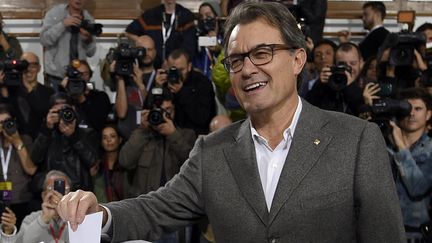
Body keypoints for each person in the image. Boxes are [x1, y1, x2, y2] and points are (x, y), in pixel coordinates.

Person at [57, 3, 405, 242]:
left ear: (298, 59)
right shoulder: (212, 151)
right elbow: (155, 208)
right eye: (236, 59)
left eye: (262, 53)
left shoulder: (357, 140)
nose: (247, 68)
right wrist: (99, 212)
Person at [119, 88, 196, 198]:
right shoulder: (142, 135)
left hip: (176, 203)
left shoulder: (186, 135)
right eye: (159, 111)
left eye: (168, 110)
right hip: (145, 205)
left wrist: (173, 134)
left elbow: (194, 166)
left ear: (175, 110)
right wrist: (142, 131)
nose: (163, 115)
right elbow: (124, 161)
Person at [386, 88, 432, 241]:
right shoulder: (383, 147)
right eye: (407, 108)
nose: (411, 113)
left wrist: (401, 146)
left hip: (417, 236)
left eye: (418, 109)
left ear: (428, 114)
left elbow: (418, 187)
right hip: (384, 232)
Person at [31, 92, 99, 192]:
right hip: (53, 189)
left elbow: (92, 161)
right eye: (58, 112)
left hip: (79, 190)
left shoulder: (87, 133)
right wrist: (47, 129)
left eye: (66, 110)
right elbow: (35, 158)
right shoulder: (46, 133)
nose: (63, 114)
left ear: (74, 110)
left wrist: (73, 136)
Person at [156, 48, 216, 135]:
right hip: (166, 133)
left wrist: (181, 92)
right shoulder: (164, 82)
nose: (177, 74)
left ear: (189, 66)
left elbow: (202, 118)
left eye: (181, 70)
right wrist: (158, 88)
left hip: (195, 134)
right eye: (173, 70)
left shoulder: (202, 83)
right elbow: (152, 112)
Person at [40, 0, 97, 90]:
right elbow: (44, 40)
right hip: (56, 77)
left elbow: (91, 52)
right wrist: (63, 24)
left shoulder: (88, 18)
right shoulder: (54, 14)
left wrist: (88, 39)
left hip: (79, 77)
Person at [113, 35, 158, 139]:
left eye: (149, 50)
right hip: (127, 139)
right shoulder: (126, 75)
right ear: (134, 51)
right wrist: (120, 78)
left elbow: (153, 109)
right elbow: (121, 113)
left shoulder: (160, 77)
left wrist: (141, 85)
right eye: (141, 50)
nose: (145, 53)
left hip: (151, 139)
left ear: (155, 52)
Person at [125, 0, 197, 65]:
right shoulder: (151, 14)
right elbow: (129, 32)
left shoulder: (186, 16)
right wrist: (144, 43)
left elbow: (189, 46)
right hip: (152, 65)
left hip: (176, 65)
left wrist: (172, 61)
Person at [0, 104, 36, 229]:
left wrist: (17, 142)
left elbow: (31, 170)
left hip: (23, 200)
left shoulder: (25, 140)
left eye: (7, 122)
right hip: (2, 200)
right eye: (0, 123)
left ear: (14, 121)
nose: (4, 126)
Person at [305, 42, 365, 116]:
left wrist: (350, 87)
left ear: (361, 63)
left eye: (353, 63)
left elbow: (363, 113)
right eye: (342, 64)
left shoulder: (368, 85)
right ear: (334, 64)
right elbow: (310, 109)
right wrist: (320, 84)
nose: (348, 68)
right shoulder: (329, 85)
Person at [12, 170, 72, 243]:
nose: (57, 194)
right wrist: (44, 219)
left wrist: (69, 216)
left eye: (63, 189)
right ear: (44, 195)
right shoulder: (31, 219)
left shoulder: (78, 217)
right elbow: (22, 241)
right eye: (51, 188)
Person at [61, 60, 111, 136]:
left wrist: (81, 98)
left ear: (90, 76)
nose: (81, 77)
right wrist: (63, 90)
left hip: (92, 141)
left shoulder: (100, 97)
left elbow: (98, 124)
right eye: (77, 74)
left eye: (85, 74)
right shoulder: (65, 97)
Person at [17, 52, 55, 139]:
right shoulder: (12, 91)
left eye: (33, 65)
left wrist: (29, 89)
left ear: (39, 68)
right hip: (16, 141)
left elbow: (42, 112)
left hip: (40, 141)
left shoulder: (49, 92)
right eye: (24, 65)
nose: (28, 69)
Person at [92, 124, 130, 203]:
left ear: (120, 140)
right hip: (104, 210)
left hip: (126, 208)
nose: (108, 140)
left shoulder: (127, 164)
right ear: (101, 142)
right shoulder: (97, 166)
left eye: (112, 136)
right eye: (104, 137)